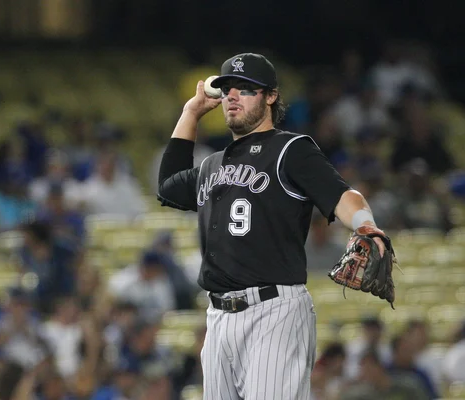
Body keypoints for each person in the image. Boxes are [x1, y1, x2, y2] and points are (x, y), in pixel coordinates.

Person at [157, 52, 389, 399]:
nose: (233, 95)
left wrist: (366, 226)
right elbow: (168, 186)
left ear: (270, 96)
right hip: (218, 318)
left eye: (246, 88)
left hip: (273, 312)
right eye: (228, 88)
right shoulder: (210, 166)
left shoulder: (290, 149)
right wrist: (191, 112)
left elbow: (342, 194)